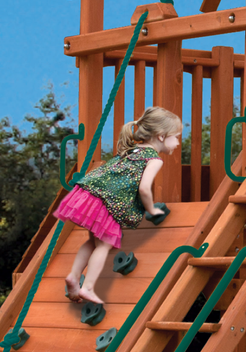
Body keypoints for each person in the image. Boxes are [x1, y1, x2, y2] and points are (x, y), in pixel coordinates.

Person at [56, 107, 183, 307]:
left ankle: (73, 276)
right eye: (176, 137)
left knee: (92, 241)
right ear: (161, 136)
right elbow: (144, 189)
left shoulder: (132, 149)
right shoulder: (154, 159)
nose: (177, 142)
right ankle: (87, 286)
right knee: (104, 245)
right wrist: (151, 209)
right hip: (107, 202)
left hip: (91, 193)